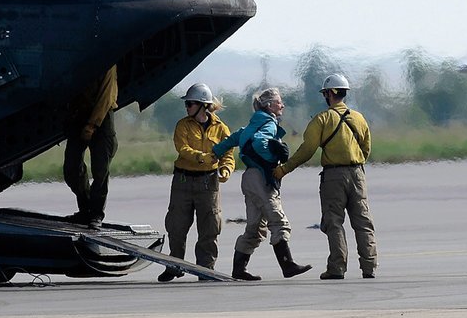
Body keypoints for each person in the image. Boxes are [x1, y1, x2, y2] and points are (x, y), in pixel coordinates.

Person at [274, 73, 378, 280]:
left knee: (334, 222)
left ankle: (337, 268)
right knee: (363, 222)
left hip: (333, 177)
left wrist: (284, 169)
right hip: (358, 174)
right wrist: (355, 164)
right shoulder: (359, 118)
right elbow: (366, 148)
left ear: (329, 94)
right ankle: (369, 267)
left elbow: (307, 150)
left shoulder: (322, 120)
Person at [211, 87, 312, 280]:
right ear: (269, 106)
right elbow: (259, 143)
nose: (282, 105)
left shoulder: (252, 123)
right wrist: (273, 155)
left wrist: (215, 152)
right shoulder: (269, 123)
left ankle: (239, 269)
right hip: (261, 178)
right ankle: (287, 265)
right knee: (278, 221)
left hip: (248, 178)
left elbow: (232, 139)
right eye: (279, 102)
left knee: (255, 227)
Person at [157, 83, 235, 282]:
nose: (187, 107)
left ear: (203, 105)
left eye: (190, 103)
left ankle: (206, 268)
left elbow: (228, 155)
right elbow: (182, 149)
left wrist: (226, 169)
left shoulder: (221, 128)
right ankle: (175, 265)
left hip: (208, 183)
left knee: (210, 226)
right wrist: (201, 157)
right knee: (176, 225)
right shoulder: (182, 126)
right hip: (183, 181)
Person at [63, 64, 118, 229]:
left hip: (102, 117)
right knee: (71, 168)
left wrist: (92, 124)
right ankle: (86, 208)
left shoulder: (108, 63)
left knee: (100, 170)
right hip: (79, 113)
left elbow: (106, 97)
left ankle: (96, 214)